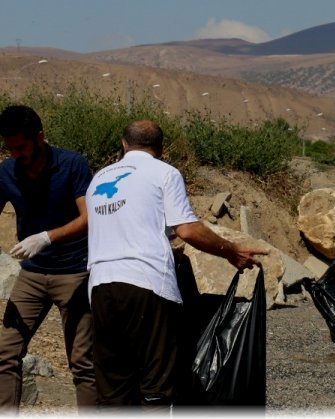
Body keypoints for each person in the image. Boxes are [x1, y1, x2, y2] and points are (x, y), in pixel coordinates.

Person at [85, 119, 267, 408]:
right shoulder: (164, 173)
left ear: (123, 144)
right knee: (156, 385)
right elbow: (187, 229)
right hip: (146, 284)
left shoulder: (99, 178)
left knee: (113, 386)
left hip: (100, 285)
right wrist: (232, 251)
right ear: (161, 148)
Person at [0, 105, 96, 412]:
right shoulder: (5, 171)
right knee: (7, 352)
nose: (15, 154)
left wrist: (47, 237)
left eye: (21, 147)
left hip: (76, 272)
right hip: (32, 275)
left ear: (39, 137)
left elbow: (89, 217)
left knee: (83, 361)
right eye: (9, 148)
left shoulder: (72, 164)